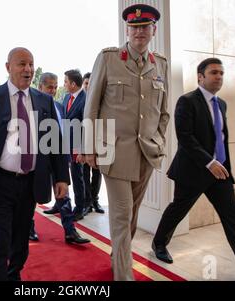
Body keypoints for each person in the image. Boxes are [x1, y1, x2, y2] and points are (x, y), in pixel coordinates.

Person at [152, 58, 235, 281]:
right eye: (214, 72)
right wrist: (208, 162)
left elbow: (220, 138)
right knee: (178, 209)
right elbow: (185, 138)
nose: (219, 77)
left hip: (220, 173)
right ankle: (159, 243)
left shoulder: (221, 104)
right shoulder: (186, 101)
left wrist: (222, 166)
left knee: (232, 218)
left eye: (221, 73)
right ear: (200, 77)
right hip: (192, 171)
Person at [0, 48, 70, 281]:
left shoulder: (44, 101)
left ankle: (13, 276)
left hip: (30, 184)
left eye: (31, 64)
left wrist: (61, 177)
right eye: (22, 64)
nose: (28, 69)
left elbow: (55, 143)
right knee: (0, 242)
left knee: (20, 246)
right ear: (8, 67)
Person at [79, 4, 170, 280]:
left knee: (132, 216)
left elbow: (163, 112)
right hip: (114, 153)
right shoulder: (108, 59)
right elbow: (91, 107)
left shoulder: (160, 64)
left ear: (153, 30)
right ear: (127, 30)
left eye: (145, 27)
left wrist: (159, 140)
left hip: (146, 153)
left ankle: (118, 253)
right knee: (121, 216)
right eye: (134, 27)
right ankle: (123, 274)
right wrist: (89, 148)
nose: (139, 31)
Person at [32, 72, 90, 244]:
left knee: (64, 195)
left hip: (58, 157)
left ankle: (70, 231)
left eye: (56, 87)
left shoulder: (58, 106)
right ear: (40, 86)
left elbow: (64, 131)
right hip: (38, 159)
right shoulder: (31, 105)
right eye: (50, 87)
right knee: (31, 195)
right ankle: (29, 227)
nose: (53, 90)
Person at [62, 69, 87, 221]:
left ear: (72, 84)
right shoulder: (66, 98)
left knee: (78, 177)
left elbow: (87, 126)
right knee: (63, 176)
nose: (64, 84)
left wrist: (83, 150)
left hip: (77, 146)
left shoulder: (85, 99)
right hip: (65, 145)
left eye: (65, 81)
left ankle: (79, 208)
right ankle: (62, 205)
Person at [80, 72, 104, 216]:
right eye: (86, 83)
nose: (88, 86)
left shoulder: (99, 99)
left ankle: (95, 200)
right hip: (83, 143)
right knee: (84, 174)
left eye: (90, 83)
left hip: (99, 142)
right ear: (83, 84)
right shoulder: (81, 100)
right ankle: (87, 202)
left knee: (97, 174)